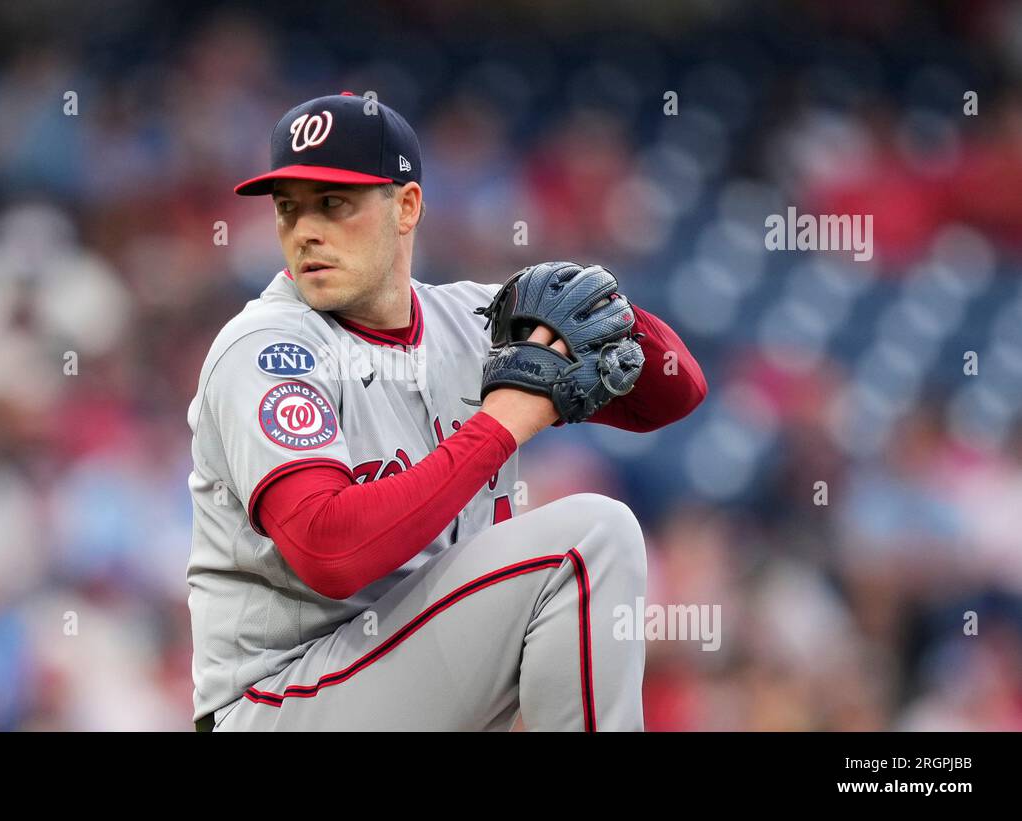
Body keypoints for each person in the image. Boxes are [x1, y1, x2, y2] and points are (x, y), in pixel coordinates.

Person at [186, 92, 707, 731]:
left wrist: (600, 304)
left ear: (406, 206)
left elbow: (673, 393)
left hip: (403, 678)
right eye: (289, 209)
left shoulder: (472, 321)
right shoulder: (268, 349)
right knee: (591, 537)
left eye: (333, 204)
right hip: (281, 702)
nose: (306, 231)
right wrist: (503, 422)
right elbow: (330, 552)